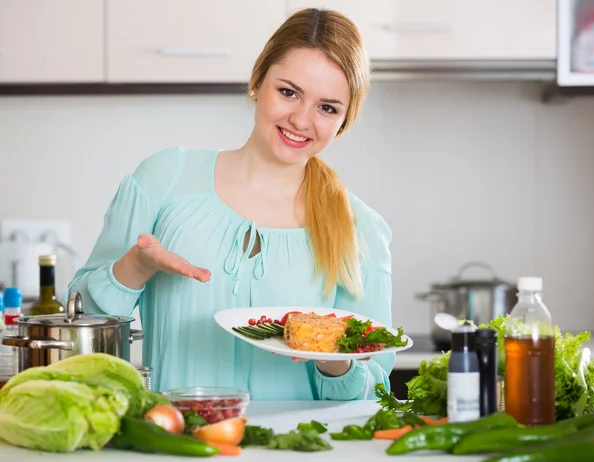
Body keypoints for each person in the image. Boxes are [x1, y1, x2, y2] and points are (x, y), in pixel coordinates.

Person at [68, 8, 395, 400]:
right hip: (179, 443)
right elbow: (78, 323)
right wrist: (135, 267)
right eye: (288, 92)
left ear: (343, 121)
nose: (301, 120)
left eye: (327, 108)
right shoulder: (165, 178)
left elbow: (375, 393)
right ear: (258, 82)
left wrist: (334, 358)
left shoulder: (360, 229)